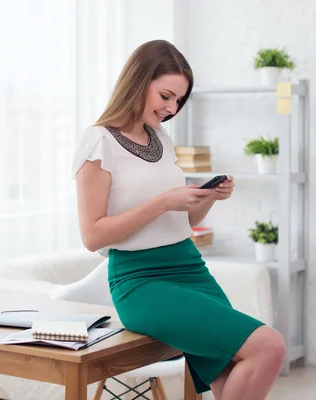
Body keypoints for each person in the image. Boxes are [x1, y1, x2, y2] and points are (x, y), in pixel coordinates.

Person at [71, 40, 286, 400]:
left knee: (232, 365)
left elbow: (181, 222)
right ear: (139, 81)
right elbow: (93, 236)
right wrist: (163, 202)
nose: (171, 109)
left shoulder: (160, 137)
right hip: (141, 281)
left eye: (178, 101)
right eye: (166, 96)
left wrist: (208, 198)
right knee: (269, 346)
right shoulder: (98, 142)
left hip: (189, 266)